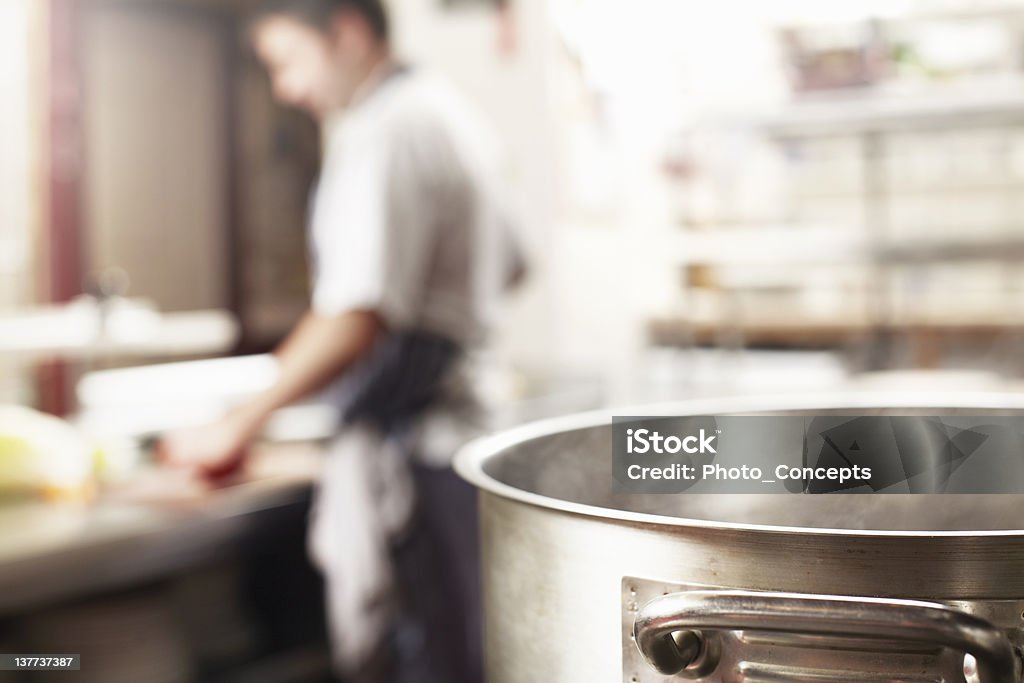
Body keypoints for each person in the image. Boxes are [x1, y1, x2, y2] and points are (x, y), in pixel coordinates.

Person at [161, 1, 526, 681]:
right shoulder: (448, 111)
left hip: (413, 456)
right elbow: (515, 260)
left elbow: (356, 316)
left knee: (427, 659)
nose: (286, 90)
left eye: (288, 62)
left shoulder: (385, 129)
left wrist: (235, 426)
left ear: (349, 33)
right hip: (463, 442)